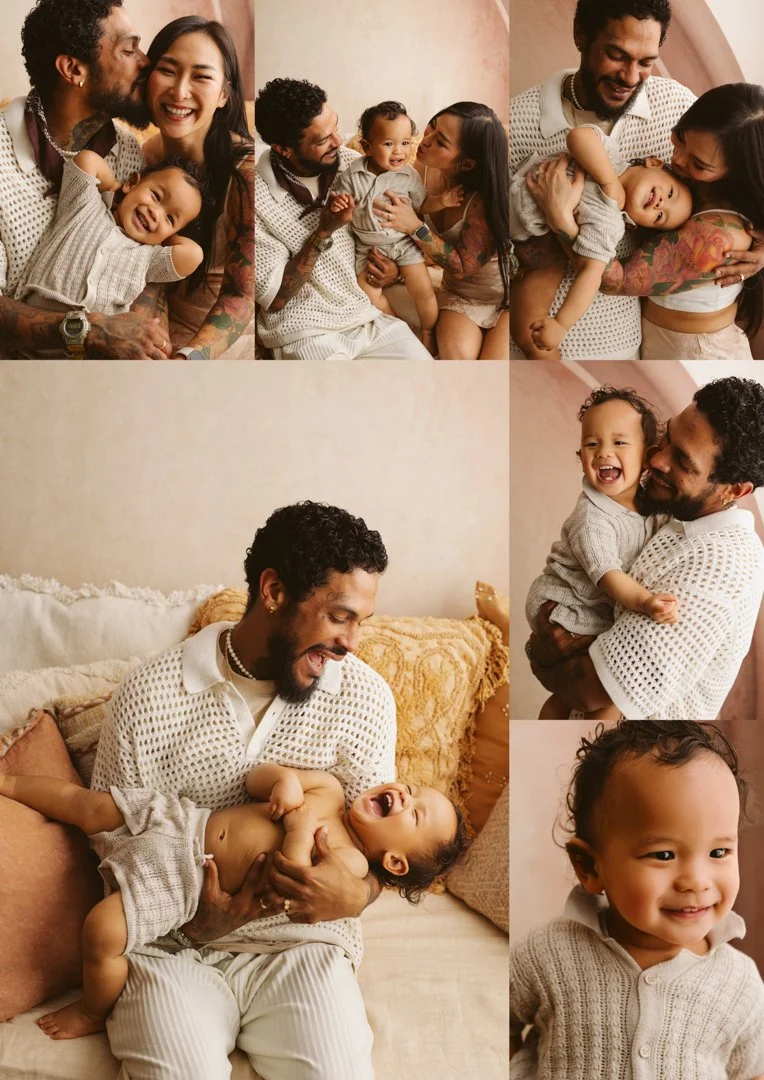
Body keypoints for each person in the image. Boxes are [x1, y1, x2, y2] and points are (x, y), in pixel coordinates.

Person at [88, 501, 397, 1080]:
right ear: (274, 591)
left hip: (302, 947)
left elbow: (385, 844)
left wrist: (358, 896)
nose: (351, 642)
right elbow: (111, 838)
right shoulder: (149, 696)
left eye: (362, 621)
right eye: (339, 617)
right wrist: (193, 921)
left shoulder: (366, 700)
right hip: (171, 947)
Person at [0, 762, 465, 1040]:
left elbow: (289, 879)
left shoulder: (350, 864)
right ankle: (12, 782)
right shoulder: (329, 789)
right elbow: (257, 778)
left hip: (185, 880)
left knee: (102, 931)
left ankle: (92, 1010)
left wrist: (299, 829)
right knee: (88, 805)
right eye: (413, 788)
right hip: (184, 822)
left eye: (415, 813)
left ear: (396, 862)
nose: (405, 794)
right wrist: (283, 781)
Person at [510, 721, 764, 1079]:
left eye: (719, 852)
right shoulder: (547, 953)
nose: (697, 881)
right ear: (590, 867)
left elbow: (752, 1071)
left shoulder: (739, 983)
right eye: (663, 855)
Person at [525, 377, 764, 720]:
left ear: (735, 491)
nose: (657, 460)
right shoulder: (673, 512)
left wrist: (540, 655)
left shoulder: (722, 563)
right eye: (667, 437)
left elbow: (589, 690)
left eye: (683, 461)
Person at [509, 0, 697, 360]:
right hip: (526, 284)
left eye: (646, 62)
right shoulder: (520, 119)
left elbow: (593, 270)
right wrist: (609, 183)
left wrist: (561, 220)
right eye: (616, 55)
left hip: (615, 342)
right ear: (581, 35)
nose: (631, 77)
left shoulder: (676, 107)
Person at [0, 0, 175, 359]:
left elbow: (143, 259)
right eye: (128, 50)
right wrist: (90, 330)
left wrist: (144, 337)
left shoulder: (127, 152)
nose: (146, 62)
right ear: (73, 69)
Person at [526, 387, 677, 721]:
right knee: (596, 691)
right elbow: (607, 574)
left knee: (574, 697)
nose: (603, 452)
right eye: (592, 444)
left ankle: (556, 721)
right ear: (580, 454)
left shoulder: (649, 506)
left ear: (648, 455)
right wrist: (646, 602)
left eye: (619, 442)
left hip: (591, 601)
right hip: (566, 603)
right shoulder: (591, 517)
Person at [255, 78, 431, 360]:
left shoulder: (357, 164)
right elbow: (276, 298)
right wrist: (323, 232)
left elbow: (391, 236)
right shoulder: (256, 197)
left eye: (335, 127)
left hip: (367, 316)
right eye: (322, 140)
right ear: (284, 149)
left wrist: (393, 271)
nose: (338, 141)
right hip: (306, 330)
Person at [595, 83, 764, 359]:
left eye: (699, 164)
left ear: (736, 174)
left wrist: (561, 214)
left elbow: (615, 280)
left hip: (700, 353)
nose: (677, 159)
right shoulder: (693, 183)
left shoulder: (718, 236)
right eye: (681, 137)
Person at [511, 124, 692, 352]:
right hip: (506, 183)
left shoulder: (608, 224)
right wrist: (609, 181)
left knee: (524, 331)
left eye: (659, 217)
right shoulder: (610, 156)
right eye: (671, 193)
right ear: (654, 163)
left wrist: (561, 323)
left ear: (639, 225)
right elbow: (578, 136)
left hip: (511, 226)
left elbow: (591, 274)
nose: (661, 204)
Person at [140, 17, 255, 360]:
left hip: (218, 344)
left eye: (201, 76)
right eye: (168, 70)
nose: (179, 92)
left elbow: (242, 295)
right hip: (156, 330)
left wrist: (187, 358)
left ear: (224, 94)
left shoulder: (246, 173)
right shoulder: (141, 157)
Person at [369, 101, 510, 360]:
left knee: (494, 367)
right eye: (431, 126)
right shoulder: (418, 170)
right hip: (461, 295)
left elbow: (461, 266)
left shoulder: (484, 200)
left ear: (467, 164)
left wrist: (415, 226)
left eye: (441, 142)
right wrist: (395, 268)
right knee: (456, 357)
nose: (425, 140)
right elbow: (396, 229)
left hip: (507, 298)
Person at [329, 100, 463, 353]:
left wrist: (442, 201)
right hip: (368, 247)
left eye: (405, 143)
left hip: (403, 245)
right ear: (367, 146)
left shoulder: (408, 175)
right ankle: (400, 327)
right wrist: (339, 205)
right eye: (389, 144)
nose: (399, 151)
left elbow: (422, 205)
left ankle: (428, 331)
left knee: (424, 291)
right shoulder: (353, 174)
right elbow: (339, 201)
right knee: (368, 293)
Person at [14, 152, 203, 330]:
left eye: (170, 218)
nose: (156, 213)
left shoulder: (149, 258)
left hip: (95, 345)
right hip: (32, 326)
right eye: (156, 196)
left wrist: (163, 236)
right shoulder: (86, 206)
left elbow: (193, 254)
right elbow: (86, 160)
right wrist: (113, 185)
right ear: (132, 183)